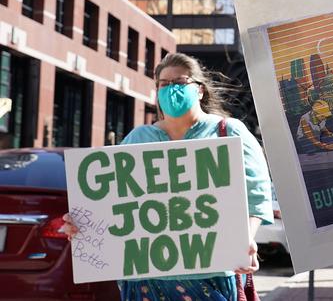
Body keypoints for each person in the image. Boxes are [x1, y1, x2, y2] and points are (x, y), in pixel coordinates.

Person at [62, 52, 273, 301]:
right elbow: (112, 203)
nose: (171, 89)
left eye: (180, 83)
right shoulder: (138, 138)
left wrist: (246, 236)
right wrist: (83, 226)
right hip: (147, 282)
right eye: (164, 84)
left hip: (212, 276)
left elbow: (257, 192)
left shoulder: (229, 132)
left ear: (200, 90)